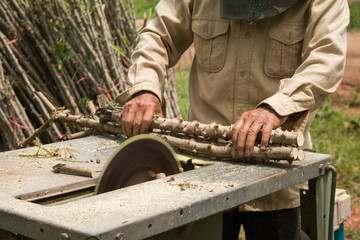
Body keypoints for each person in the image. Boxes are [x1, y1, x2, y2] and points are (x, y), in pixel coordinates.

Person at [115, 0, 349, 239]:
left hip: (276, 172)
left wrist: (274, 109)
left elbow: (326, 60)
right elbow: (158, 37)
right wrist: (145, 88)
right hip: (202, 172)